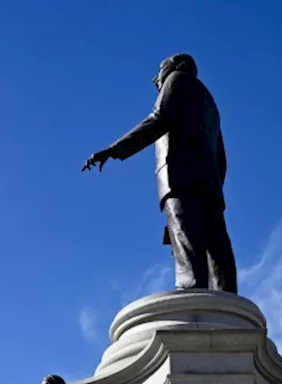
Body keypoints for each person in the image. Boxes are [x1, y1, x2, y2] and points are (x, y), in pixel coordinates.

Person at [83, 53, 237, 293]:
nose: (156, 78)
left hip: (180, 176)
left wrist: (114, 150)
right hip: (209, 183)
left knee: (186, 239)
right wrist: (215, 186)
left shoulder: (176, 80)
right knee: (215, 243)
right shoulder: (210, 103)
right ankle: (226, 299)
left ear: (176, 65)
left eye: (160, 69)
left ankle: (191, 294)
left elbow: (159, 119)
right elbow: (222, 159)